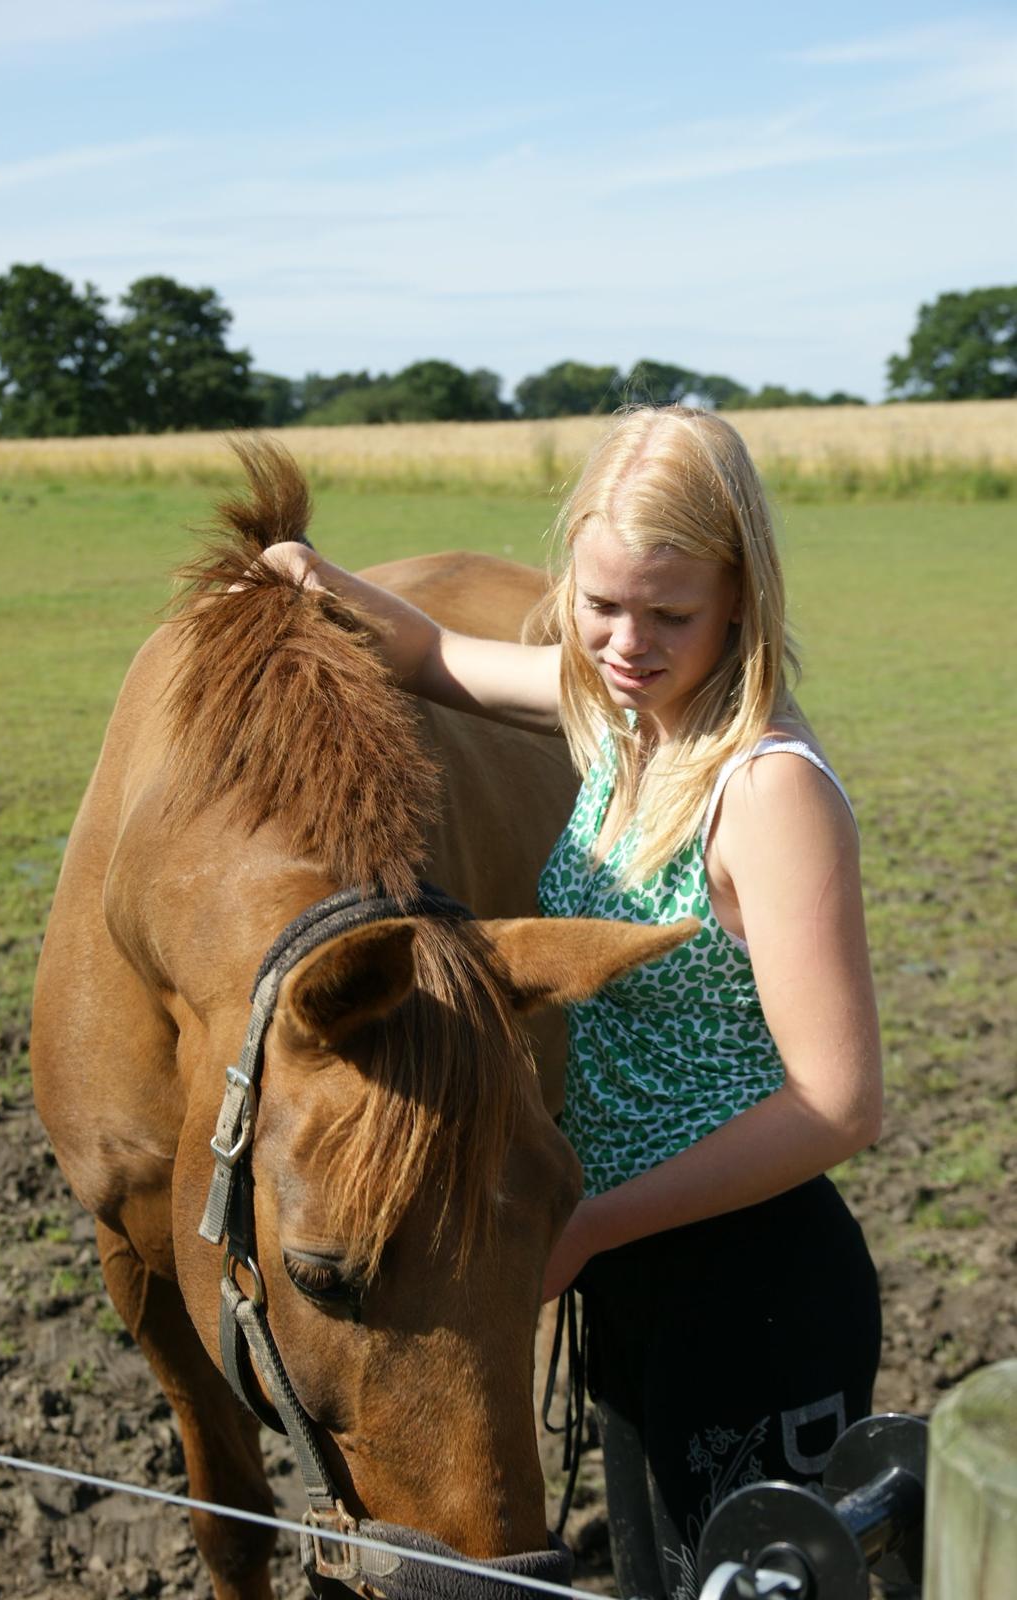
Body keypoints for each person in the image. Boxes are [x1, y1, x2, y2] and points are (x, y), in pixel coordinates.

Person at [260, 406, 883, 1600]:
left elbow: (838, 1104)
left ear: (741, 595)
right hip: (633, 1274)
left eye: (669, 614)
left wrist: (592, 1223)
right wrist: (306, 576)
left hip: (749, 1288)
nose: (626, 644)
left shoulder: (765, 791)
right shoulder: (622, 713)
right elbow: (431, 654)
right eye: (599, 604)